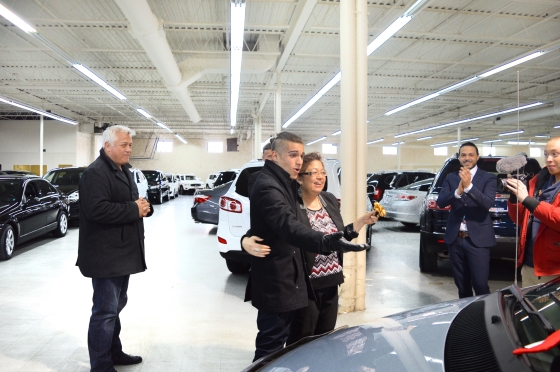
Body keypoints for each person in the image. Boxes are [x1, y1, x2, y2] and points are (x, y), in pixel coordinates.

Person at [240, 131, 368, 362]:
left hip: (307, 282)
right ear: (273, 156)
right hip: (283, 284)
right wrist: (245, 240)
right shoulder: (271, 186)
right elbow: (286, 224)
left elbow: (273, 225)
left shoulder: (290, 185)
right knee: (275, 348)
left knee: (311, 343)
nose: (299, 161)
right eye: (292, 155)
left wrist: (353, 229)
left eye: (301, 155)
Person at [77, 125, 153, 372]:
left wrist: (142, 207)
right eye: (124, 145)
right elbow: (97, 209)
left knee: (116, 306)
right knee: (105, 312)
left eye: (130, 145)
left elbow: (126, 202)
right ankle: (100, 366)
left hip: (122, 253)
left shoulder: (124, 170)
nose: (129, 149)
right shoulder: (96, 173)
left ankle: (114, 352)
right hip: (105, 256)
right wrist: (134, 209)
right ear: (107, 146)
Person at [437, 142, 497, 298]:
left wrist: (469, 186)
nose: (467, 158)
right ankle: (466, 319)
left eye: (471, 155)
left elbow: (487, 203)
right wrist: (457, 191)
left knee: (480, 284)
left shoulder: (488, 178)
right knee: (462, 286)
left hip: (478, 240)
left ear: (477, 157)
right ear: (459, 157)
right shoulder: (450, 177)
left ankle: (484, 318)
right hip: (455, 239)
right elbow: (441, 201)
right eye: (463, 155)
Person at [506, 137, 560, 286]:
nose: (549, 159)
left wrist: (528, 200)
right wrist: (515, 198)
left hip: (554, 270)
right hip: (530, 264)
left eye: (555, 154)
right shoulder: (540, 181)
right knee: (528, 308)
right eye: (546, 154)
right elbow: (520, 220)